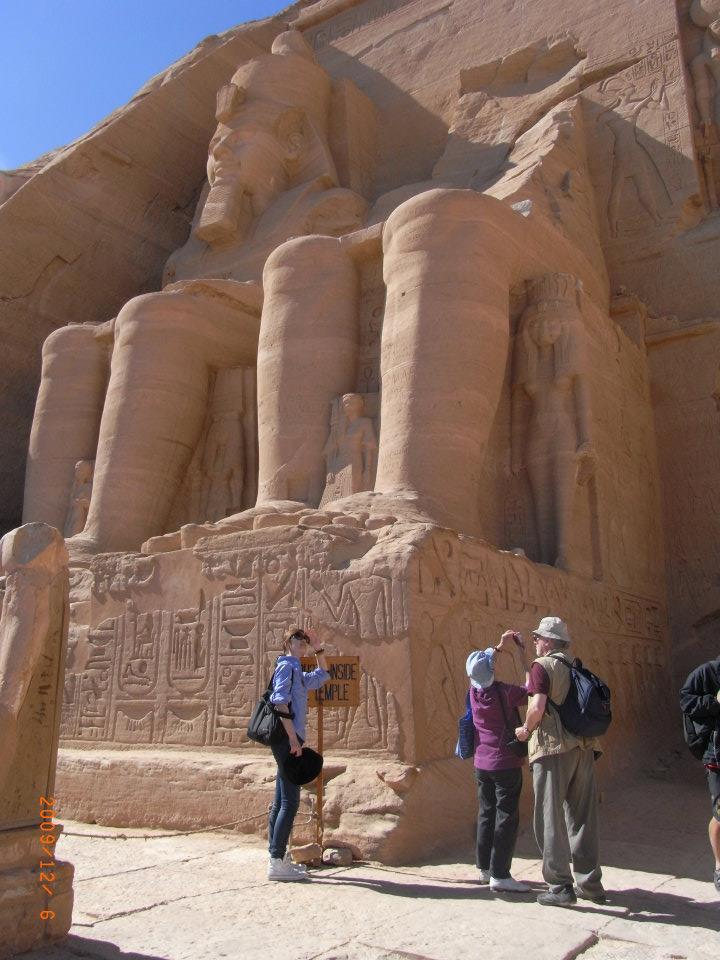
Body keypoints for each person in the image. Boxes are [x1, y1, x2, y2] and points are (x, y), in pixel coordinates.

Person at [515, 616, 606, 906]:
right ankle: (590, 884)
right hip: (584, 748)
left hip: (553, 749)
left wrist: (525, 729)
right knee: (582, 818)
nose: (535, 641)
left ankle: (560, 887)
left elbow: (538, 705)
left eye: (538, 637)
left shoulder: (542, 666)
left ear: (548, 641)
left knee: (549, 818)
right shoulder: (574, 665)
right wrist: (521, 654)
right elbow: (537, 685)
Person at [466, 630, 531, 893]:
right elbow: (532, 689)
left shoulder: (473, 692)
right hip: (505, 761)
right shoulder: (504, 692)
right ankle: (500, 874)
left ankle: (484, 868)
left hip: (481, 762)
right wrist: (522, 654)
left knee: (486, 812)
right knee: (506, 816)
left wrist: (499, 647)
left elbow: (481, 667)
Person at [267, 626, 329, 881]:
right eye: (297, 639)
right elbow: (279, 701)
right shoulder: (286, 666)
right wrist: (293, 738)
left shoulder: (298, 671)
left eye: (303, 640)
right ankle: (276, 861)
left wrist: (318, 648)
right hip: (288, 739)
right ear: (287, 643)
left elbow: (323, 675)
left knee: (281, 799)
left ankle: (277, 857)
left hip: (290, 739)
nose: (301, 643)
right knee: (290, 802)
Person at [679, 654, 720, 894]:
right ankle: (719, 865)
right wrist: (714, 701)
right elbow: (686, 701)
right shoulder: (707, 673)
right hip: (716, 756)